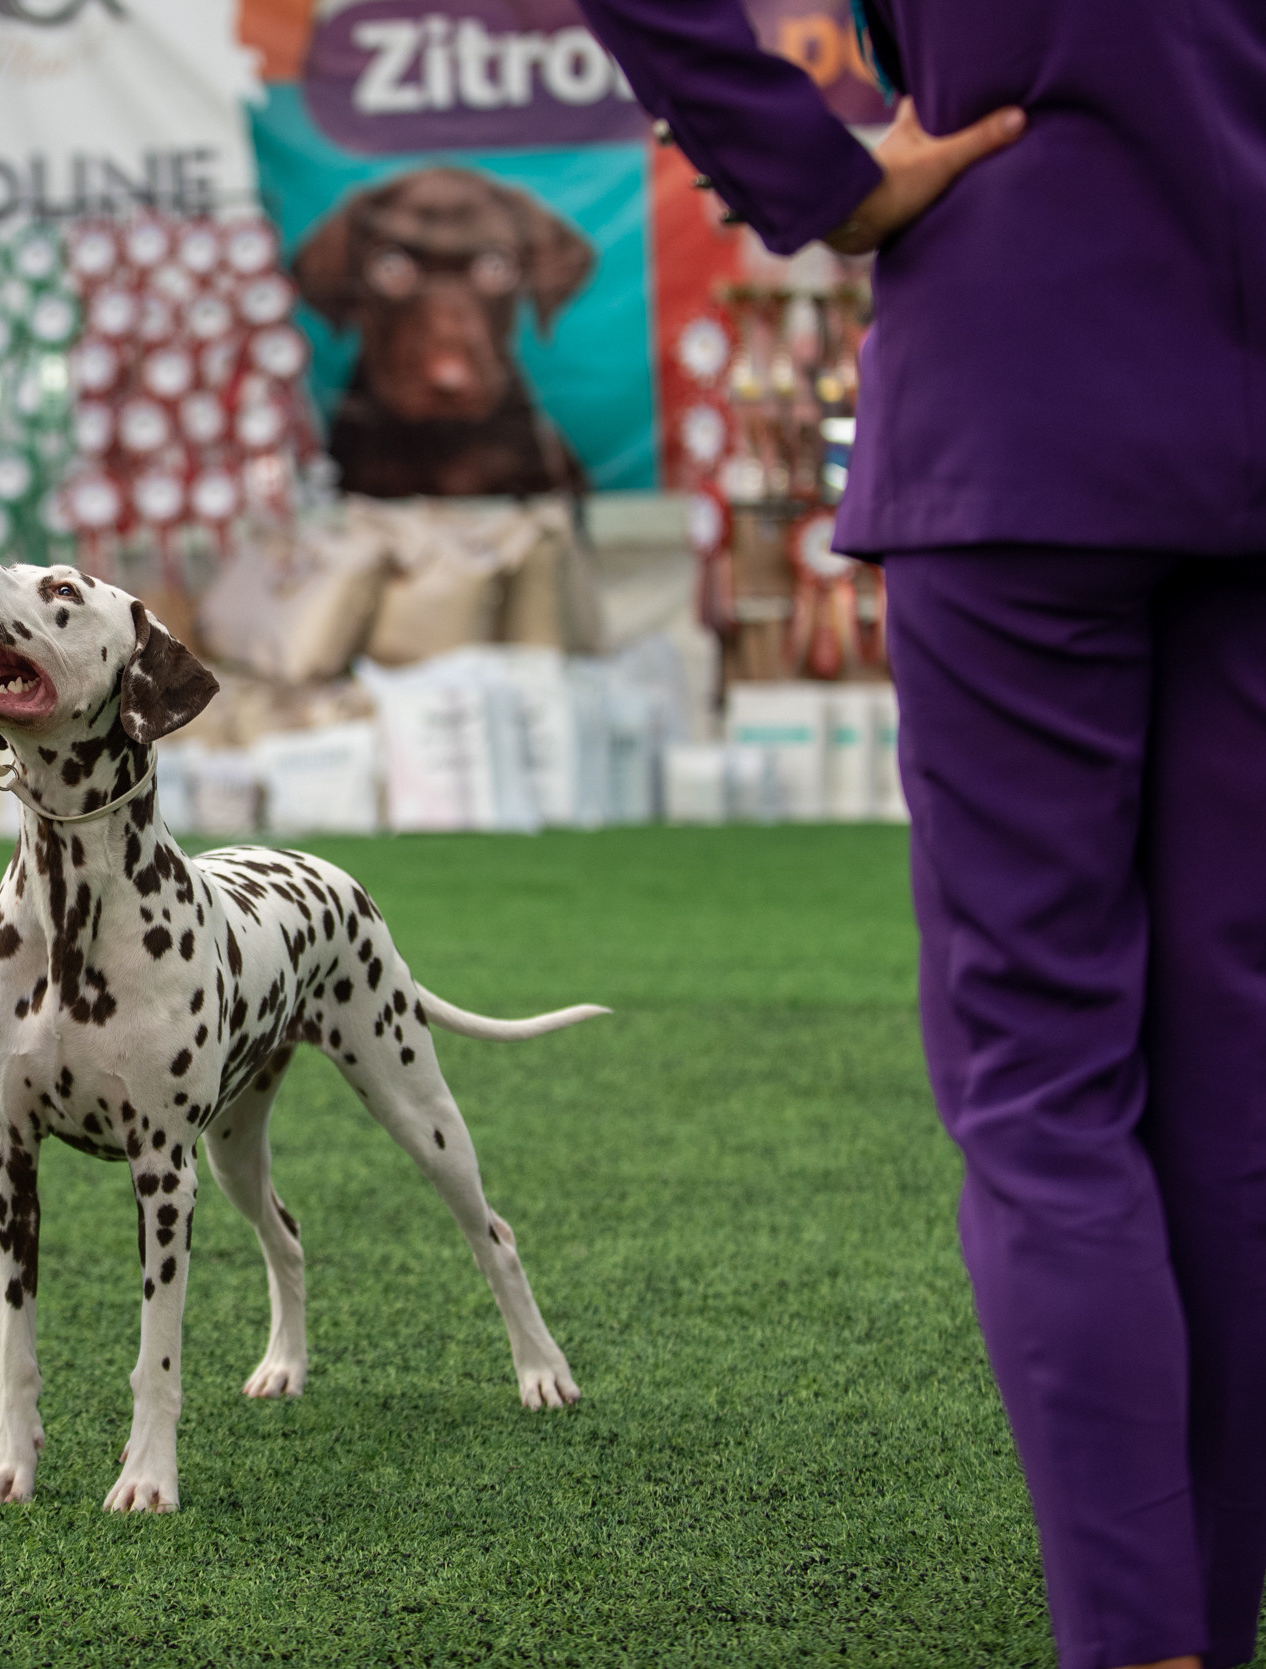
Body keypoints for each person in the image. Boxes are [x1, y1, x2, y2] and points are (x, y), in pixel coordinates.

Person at [570, 5, 1266, 1668]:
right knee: (1237, 1086)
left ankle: (1141, 1642)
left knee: (1044, 1086)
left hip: (1018, 390)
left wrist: (807, 167)